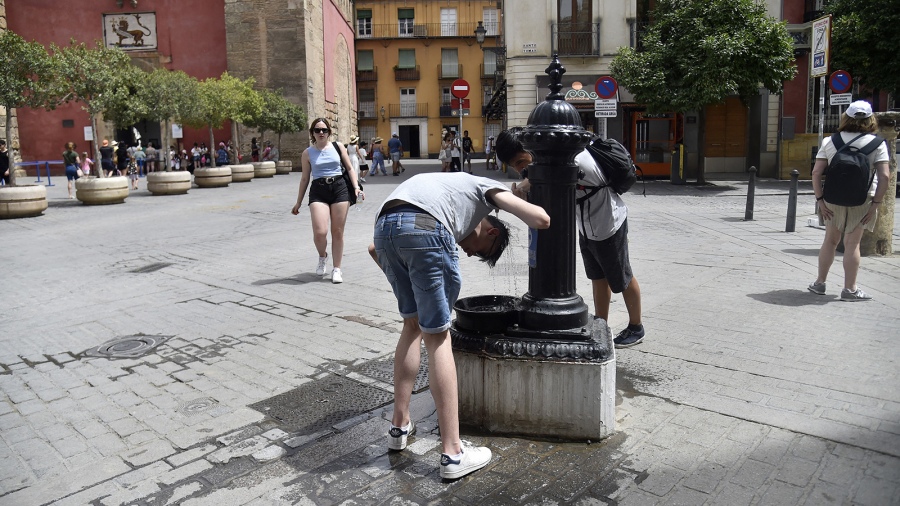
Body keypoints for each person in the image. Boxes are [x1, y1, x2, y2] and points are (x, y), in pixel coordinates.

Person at [370, 172, 550, 479]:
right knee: (438, 338)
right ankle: (453, 454)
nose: (468, 252)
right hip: (425, 227)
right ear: (491, 232)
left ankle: (398, 427)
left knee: (411, 326)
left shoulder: (451, 190)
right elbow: (541, 220)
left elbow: (374, 250)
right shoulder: (484, 187)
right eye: (480, 251)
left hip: (383, 227)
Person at [496, 128, 646, 348]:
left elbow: (549, 179)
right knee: (598, 276)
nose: (520, 170)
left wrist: (522, 190)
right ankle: (601, 324)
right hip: (587, 225)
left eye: (520, 162)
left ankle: (636, 326)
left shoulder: (571, 158)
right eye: (515, 166)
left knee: (621, 276)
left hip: (608, 222)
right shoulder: (553, 159)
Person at [809, 100, 890, 301]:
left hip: (832, 199)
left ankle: (819, 283)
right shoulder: (878, 143)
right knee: (852, 244)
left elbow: (816, 173)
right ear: (870, 119)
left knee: (830, 241)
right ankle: (850, 290)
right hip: (862, 200)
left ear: (846, 117)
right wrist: (876, 204)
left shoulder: (830, 141)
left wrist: (820, 201)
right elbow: (885, 176)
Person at [291, 118, 364, 284]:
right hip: (318, 190)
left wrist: (356, 187)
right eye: (317, 130)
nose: (321, 133)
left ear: (329, 132)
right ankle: (322, 256)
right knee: (320, 232)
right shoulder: (307, 153)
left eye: (324, 130)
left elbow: (350, 168)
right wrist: (298, 202)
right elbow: (304, 179)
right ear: (312, 133)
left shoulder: (338, 147)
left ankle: (337, 268)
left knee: (337, 232)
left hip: (339, 188)